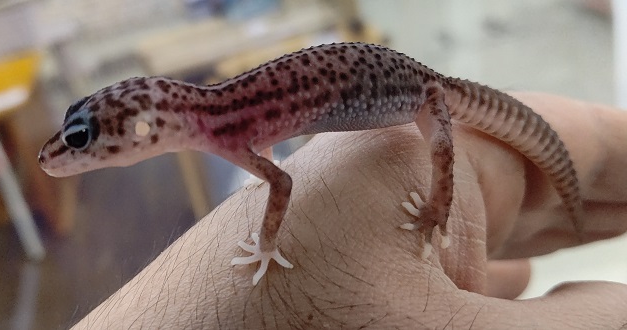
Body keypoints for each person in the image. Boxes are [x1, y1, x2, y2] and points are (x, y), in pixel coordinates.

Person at [73, 93, 627, 328]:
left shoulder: (223, 125)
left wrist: (267, 244)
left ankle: (441, 208)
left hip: (422, 92)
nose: (68, 155)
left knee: (441, 150)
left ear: (144, 127)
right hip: (409, 86)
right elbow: (274, 164)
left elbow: (280, 181)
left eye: (82, 141)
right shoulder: (224, 123)